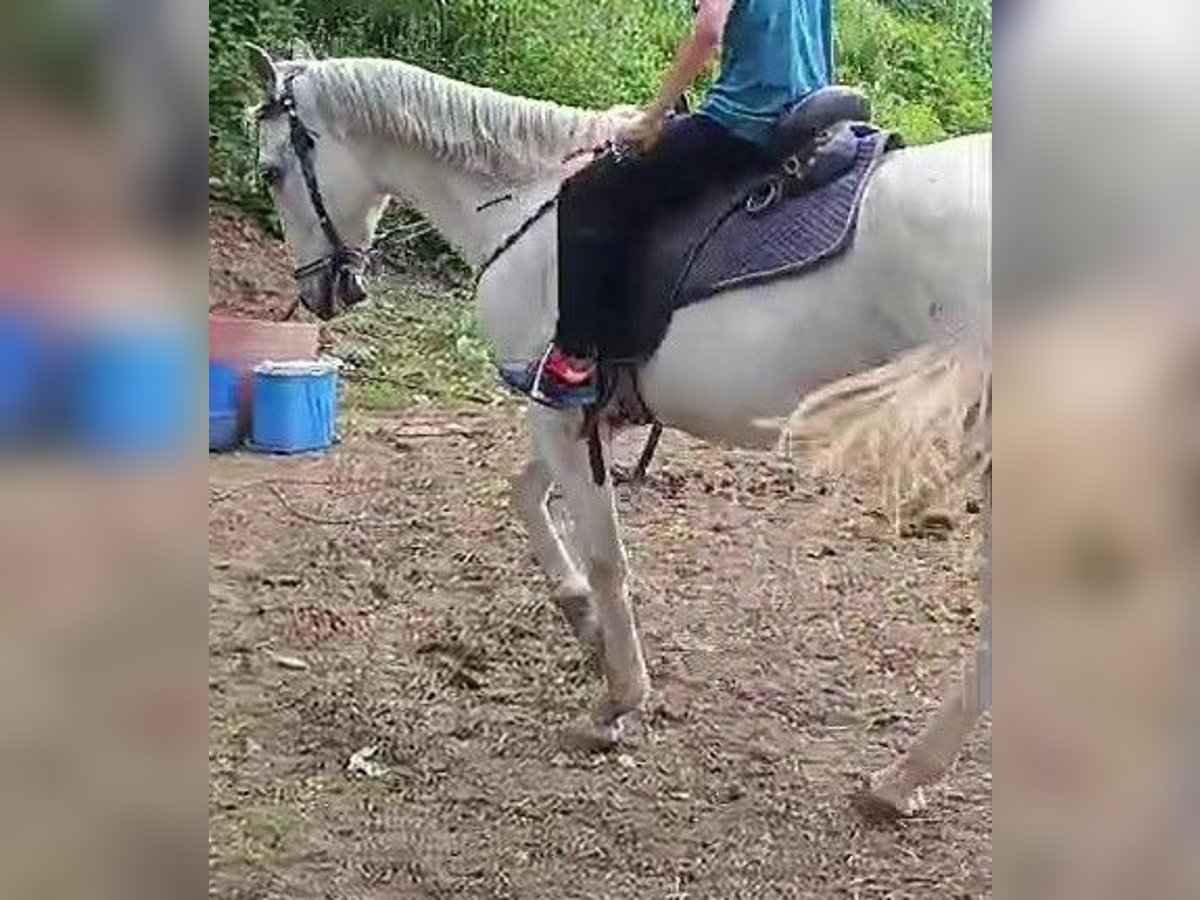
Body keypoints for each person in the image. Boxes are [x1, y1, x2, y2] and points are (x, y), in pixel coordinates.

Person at [508, 0, 835, 407]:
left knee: (588, 192)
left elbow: (708, 31)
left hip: (744, 124)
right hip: (805, 118)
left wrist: (651, 119)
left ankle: (572, 364)